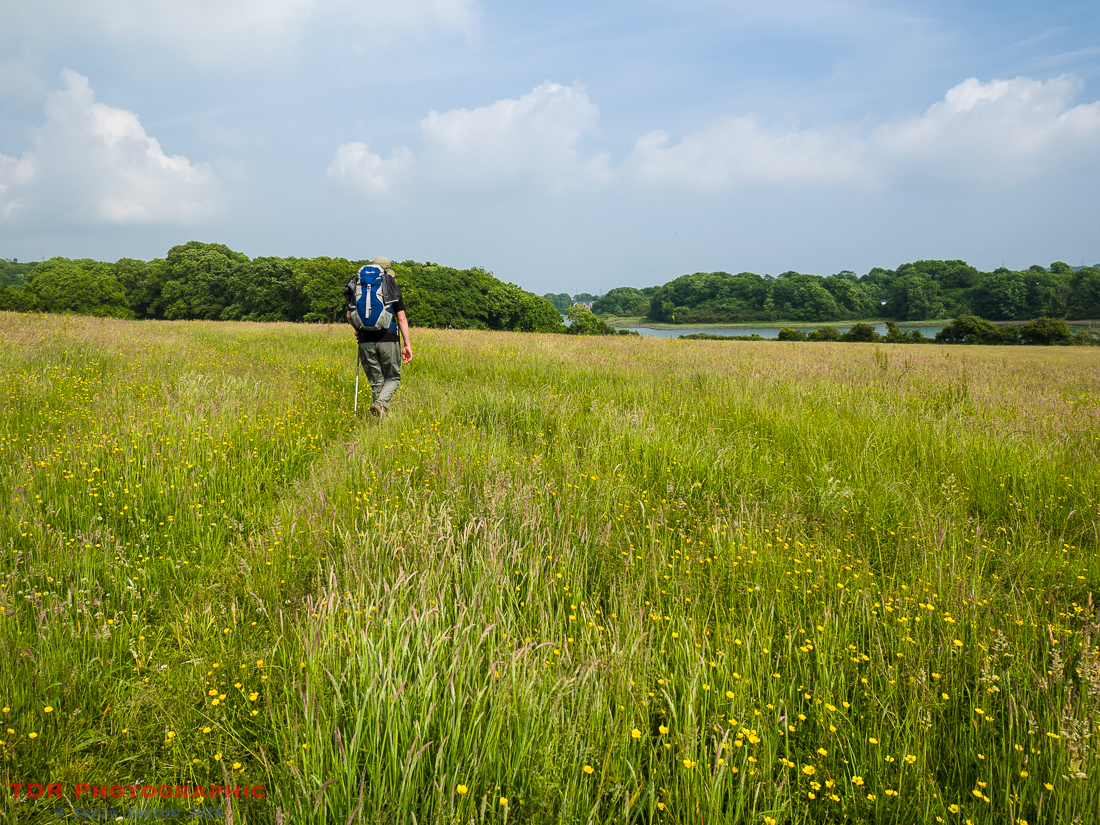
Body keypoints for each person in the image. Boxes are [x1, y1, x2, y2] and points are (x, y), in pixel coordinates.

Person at [346, 256, 412, 417]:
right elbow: (402, 318)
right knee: (393, 378)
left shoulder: (356, 284)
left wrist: (357, 329)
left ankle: (379, 416)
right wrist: (407, 344)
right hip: (388, 337)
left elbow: (349, 315)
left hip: (365, 339)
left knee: (377, 382)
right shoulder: (390, 286)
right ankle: (381, 404)